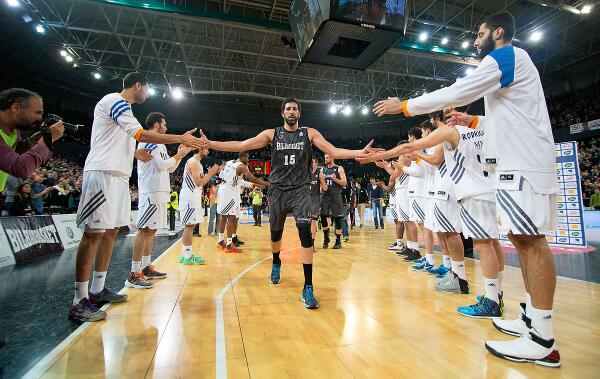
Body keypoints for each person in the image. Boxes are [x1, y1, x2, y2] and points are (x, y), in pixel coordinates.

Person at [370, 12, 560, 367]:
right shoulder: (511, 67)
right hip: (513, 163)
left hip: (524, 163)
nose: (475, 40)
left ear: (498, 32)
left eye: (480, 33)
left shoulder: (506, 55)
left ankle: (543, 338)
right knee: (521, 240)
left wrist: (407, 106)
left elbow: (459, 91)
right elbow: (507, 116)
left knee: (531, 242)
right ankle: (533, 321)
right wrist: (471, 120)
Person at [200, 98, 376, 309]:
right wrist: (210, 143)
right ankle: (276, 262)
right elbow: (241, 145)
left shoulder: (309, 133)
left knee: (305, 235)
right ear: (282, 113)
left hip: (301, 191)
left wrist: (358, 153)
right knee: (276, 234)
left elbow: (334, 151)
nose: (291, 112)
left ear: (299, 114)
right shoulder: (271, 134)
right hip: (277, 190)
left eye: (295, 109)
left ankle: (308, 287)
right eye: (288, 109)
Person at [69, 72, 206, 323]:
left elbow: (132, 142)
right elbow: (140, 135)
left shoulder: (126, 112)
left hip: (120, 177)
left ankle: (97, 289)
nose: (147, 94)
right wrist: (179, 139)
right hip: (103, 173)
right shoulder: (115, 100)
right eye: (147, 89)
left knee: (111, 232)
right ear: (137, 85)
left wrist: (137, 153)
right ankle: (78, 299)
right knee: (93, 234)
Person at [126, 112, 192, 289]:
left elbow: (169, 169)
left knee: (152, 230)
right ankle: (134, 273)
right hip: (150, 191)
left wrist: (179, 155)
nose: (166, 127)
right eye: (164, 124)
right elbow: (163, 165)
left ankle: (146, 267)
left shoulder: (160, 144)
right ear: (156, 125)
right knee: (144, 230)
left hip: (160, 190)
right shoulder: (149, 141)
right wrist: (179, 155)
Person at [0, 88, 64, 192]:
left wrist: (32, 141)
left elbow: (13, 153)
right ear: (16, 108)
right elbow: (20, 168)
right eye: (37, 113)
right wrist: (47, 140)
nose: (40, 119)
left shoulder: (14, 129)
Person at [215, 152, 267, 252]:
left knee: (224, 217)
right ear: (242, 157)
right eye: (247, 158)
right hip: (229, 192)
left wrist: (253, 185)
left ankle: (221, 241)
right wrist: (266, 183)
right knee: (231, 217)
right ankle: (229, 245)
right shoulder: (242, 167)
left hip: (223, 188)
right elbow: (253, 178)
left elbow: (228, 177)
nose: (248, 160)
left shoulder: (230, 162)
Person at [179, 147, 220, 264]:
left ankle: (186, 254)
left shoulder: (197, 163)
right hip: (189, 198)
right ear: (200, 149)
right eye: (206, 149)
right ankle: (187, 256)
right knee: (189, 226)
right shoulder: (194, 162)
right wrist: (211, 172)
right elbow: (199, 182)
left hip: (193, 197)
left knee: (190, 226)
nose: (208, 151)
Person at [319, 153, 347, 249]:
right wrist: (322, 186)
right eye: (325, 157)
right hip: (325, 195)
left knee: (337, 218)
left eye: (327, 157)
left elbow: (344, 183)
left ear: (332, 158)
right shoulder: (323, 169)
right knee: (323, 216)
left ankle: (338, 241)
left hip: (336, 195)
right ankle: (326, 237)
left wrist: (335, 179)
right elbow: (321, 183)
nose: (325, 159)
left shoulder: (339, 168)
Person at [309, 156, 321, 248]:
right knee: (305, 223)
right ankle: (306, 241)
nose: (312, 164)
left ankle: (312, 244)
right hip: (305, 201)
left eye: (314, 162)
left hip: (315, 201)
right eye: (311, 162)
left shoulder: (319, 174)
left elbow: (324, 187)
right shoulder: (305, 174)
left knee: (313, 222)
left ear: (317, 164)